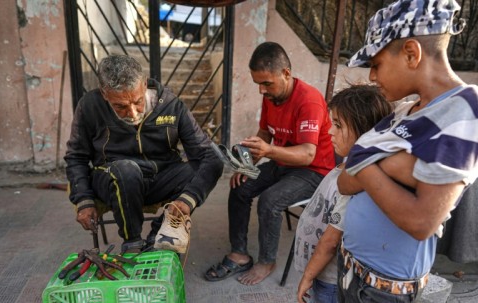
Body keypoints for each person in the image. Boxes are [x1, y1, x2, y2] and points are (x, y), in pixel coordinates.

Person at [336, 0, 478, 302]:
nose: (372, 77)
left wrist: (366, 158)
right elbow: (343, 181)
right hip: (351, 267)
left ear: (411, 54)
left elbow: (420, 221)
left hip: (383, 291)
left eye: (376, 65)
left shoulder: (466, 110)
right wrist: (394, 164)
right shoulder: (404, 108)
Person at [205, 41, 336, 285]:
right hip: (283, 162)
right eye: (258, 84)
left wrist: (269, 150)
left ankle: (267, 261)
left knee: (270, 201)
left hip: (313, 171)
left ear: (286, 73)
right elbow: (265, 133)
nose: (261, 91)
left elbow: (308, 154)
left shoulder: (309, 101)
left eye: (266, 83)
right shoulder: (271, 97)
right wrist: (249, 163)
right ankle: (240, 254)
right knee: (239, 186)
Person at [64, 55, 223, 254]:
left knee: (213, 159)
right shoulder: (89, 106)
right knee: (126, 170)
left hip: (160, 177)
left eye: (137, 101)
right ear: (105, 94)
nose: (132, 113)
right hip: (113, 178)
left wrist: (187, 199)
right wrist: (83, 199)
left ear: (145, 84)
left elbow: (206, 154)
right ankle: (132, 242)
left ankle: (159, 233)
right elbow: (76, 156)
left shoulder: (171, 105)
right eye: (120, 106)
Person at [295, 84, 392, 303]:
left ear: (365, 132)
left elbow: (330, 242)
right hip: (321, 272)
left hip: (329, 279)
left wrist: (308, 276)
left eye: (338, 125)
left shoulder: (356, 185)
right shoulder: (348, 166)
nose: (330, 131)